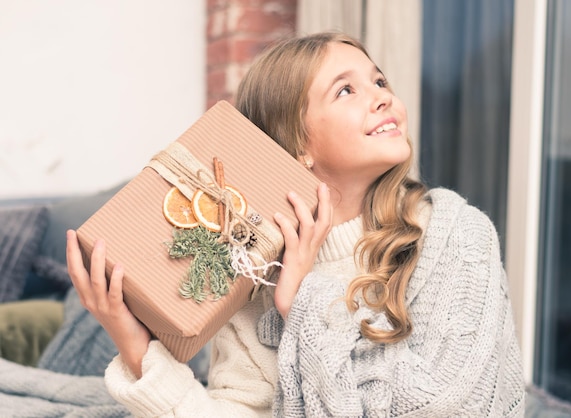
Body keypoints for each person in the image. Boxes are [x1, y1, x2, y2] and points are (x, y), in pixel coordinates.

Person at [66, 31, 526, 417]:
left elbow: (453, 406)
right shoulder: (249, 273)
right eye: (346, 90)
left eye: (379, 80)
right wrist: (138, 351)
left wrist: (304, 300)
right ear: (295, 146)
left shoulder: (456, 232)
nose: (383, 95)